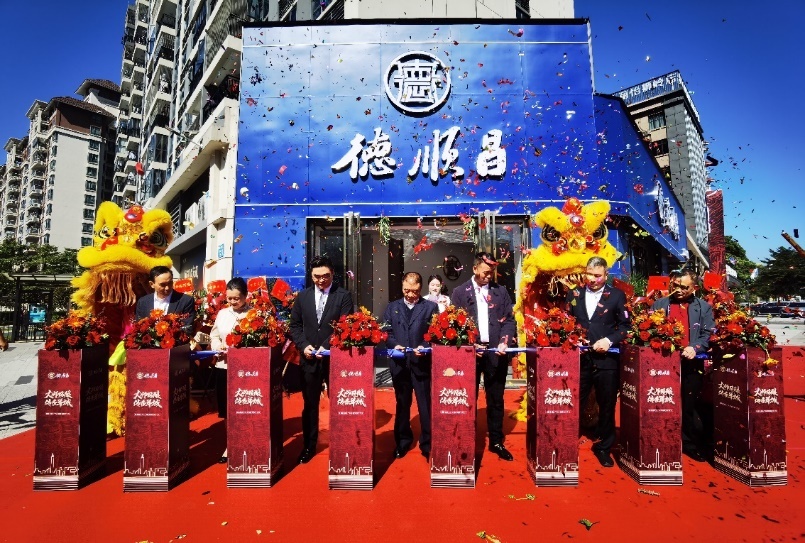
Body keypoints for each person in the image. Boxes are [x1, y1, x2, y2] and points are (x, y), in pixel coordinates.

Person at [451, 252, 517, 461]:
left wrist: (505, 341)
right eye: (486, 272)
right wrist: (469, 345)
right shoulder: (459, 292)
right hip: (470, 354)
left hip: (496, 352)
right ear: (475, 269)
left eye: (492, 273)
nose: (489, 276)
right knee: (468, 398)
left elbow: (509, 320)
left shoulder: (501, 291)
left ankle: (496, 441)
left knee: (496, 399)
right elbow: (455, 324)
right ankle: (467, 440)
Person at [565, 256, 630, 468]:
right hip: (580, 360)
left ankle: (603, 447)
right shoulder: (574, 294)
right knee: (573, 402)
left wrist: (609, 340)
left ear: (606, 275)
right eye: (589, 274)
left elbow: (626, 327)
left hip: (607, 361)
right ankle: (566, 442)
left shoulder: (617, 295)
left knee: (607, 405)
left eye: (597, 276)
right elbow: (565, 322)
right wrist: (572, 337)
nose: (593, 279)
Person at [289, 255, 353, 464]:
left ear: (332, 273)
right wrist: (303, 345)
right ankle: (309, 445)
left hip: (334, 358)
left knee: (340, 402)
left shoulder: (343, 296)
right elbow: (295, 325)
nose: (321, 280)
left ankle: (343, 443)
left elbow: (344, 325)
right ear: (311, 275)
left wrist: (325, 347)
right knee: (310, 404)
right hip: (308, 357)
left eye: (325, 276)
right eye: (316, 276)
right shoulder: (303, 296)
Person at [652, 268, 715, 462]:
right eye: (676, 285)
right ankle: (661, 439)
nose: (679, 290)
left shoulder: (703, 307)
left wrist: (695, 347)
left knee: (688, 404)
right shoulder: (659, 304)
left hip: (691, 362)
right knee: (661, 402)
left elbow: (708, 334)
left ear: (694, 287)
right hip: (663, 363)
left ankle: (689, 443)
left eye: (684, 287)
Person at [383, 272, 439, 460]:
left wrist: (424, 346)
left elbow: (435, 333)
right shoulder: (392, 307)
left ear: (420, 289)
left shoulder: (430, 307)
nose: (410, 294)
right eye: (406, 290)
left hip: (421, 363)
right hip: (399, 364)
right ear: (402, 286)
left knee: (425, 405)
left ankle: (428, 444)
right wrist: (393, 345)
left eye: (414, 291)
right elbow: (386, 332)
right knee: (402, 404)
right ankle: (402, 442)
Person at [208, 277, 250, 464]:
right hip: (224, 366)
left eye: (236, 298)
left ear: (245, 296)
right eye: (229, 298)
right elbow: (215, 335)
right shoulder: (223, 313)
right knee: (227, 409)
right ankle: (231, 444)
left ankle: (248, 441)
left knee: (246, 407)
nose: (233, 302)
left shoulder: (254, 314)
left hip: (247, 370)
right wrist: (218, 346)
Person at [135, 266, 195, 333]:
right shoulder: (143, 302)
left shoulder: (185, 301)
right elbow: (139, 328)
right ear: (152, 284)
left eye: (170, 283)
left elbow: (187, 328)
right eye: (162, 285)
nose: (167, 288)